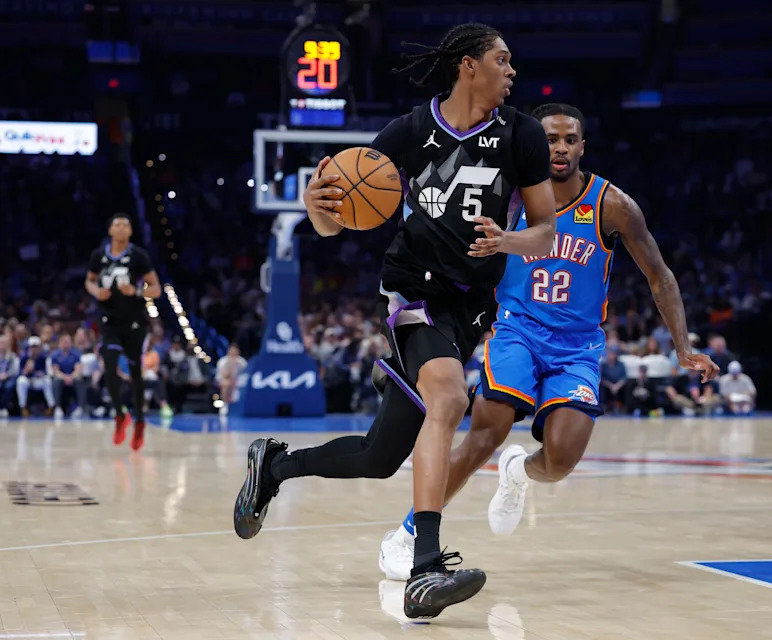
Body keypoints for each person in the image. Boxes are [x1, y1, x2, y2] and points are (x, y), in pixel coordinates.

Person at [232, 23, 557, 619]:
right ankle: (425, 566)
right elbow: (338, 223)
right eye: (502, 60)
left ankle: (273, 465)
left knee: (380, 457)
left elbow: (545, 232)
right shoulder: (408, 133)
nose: (513, 72)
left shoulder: (523, 136)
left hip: (471, 306)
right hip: (412, 292)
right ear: (468, 66)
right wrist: (316, 207)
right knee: (451, 399)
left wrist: (509, 240)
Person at [376, 102, 718, 581]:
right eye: (550, 139)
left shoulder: (612, 205)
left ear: (582, 145)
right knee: (484, 435)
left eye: (569, 139)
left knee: (560, 460)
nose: (559, 148)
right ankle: (410, 532)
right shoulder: (509, 195)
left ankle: (519, 473)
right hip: (516, 330)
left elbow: (660, 277)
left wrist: (682, 346)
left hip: (578, 347)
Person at [85, 213, 162, 450]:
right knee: (108, 366)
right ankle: (120, 415)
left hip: (134, 322)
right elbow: (89, 280)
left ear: (130, 231)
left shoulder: (139, 256)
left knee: (136, 373)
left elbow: (156, 289)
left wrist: (137, 291)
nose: (121, 227)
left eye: (125, 224)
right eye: (116, 224)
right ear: (110, 230)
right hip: (109, 320)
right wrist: (96, 291)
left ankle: (139, 421)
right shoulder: (99, 255)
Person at [15, 336, 53, 416]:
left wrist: (40, 373)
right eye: (32, 347)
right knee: (21, 381)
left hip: (38, 381)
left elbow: (47, 371)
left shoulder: (43, 357)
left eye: (36, 347)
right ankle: (23, 407)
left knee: (47, 380)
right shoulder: (23, 357)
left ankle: (51, 406)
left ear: (39, 347)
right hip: (28, 380)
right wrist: (26, 370)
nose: (34, 349)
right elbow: (19, 373)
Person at [49, 334, 83, 419]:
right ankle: (58, 407)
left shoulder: (76, 354)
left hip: (72, 376)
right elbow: (56, 370)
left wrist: (71, 377)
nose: (66, 344)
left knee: (79, 380)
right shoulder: (55, 355)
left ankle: (80, 407)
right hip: (61, 377)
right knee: (56, 381)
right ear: (60, 343)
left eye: (68, 342)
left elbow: (78, 368)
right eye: (64, 342)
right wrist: (65, 377)